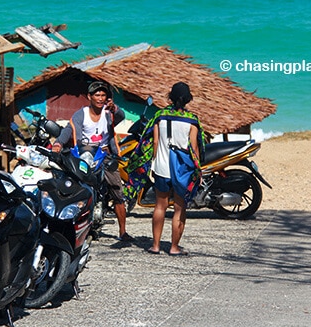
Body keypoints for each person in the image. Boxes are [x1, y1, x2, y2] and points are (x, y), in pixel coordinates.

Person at [124, 82, 205, 255]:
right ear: (188, 99)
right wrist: (198, 170)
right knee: (179, 207)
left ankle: (155, 245)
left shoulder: (160, 116)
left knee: (160, 206)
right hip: (182, 170)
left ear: (171, 97)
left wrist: (154, 160)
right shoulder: (192, 120)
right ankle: (174, 247)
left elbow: (153, 142)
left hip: (161, 166)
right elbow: (194, 148)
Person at [52, 81, 133, 242]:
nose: (100, 98)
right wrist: (58, 143)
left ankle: (123, 231)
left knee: (117, 191)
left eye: (103, 95)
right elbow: (69, 130)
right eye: (97, 95)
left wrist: (115, 109)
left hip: (104, 155)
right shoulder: (80, 114)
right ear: (89, 97)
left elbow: (120, 116)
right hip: (83, 154)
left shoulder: (108, 113)